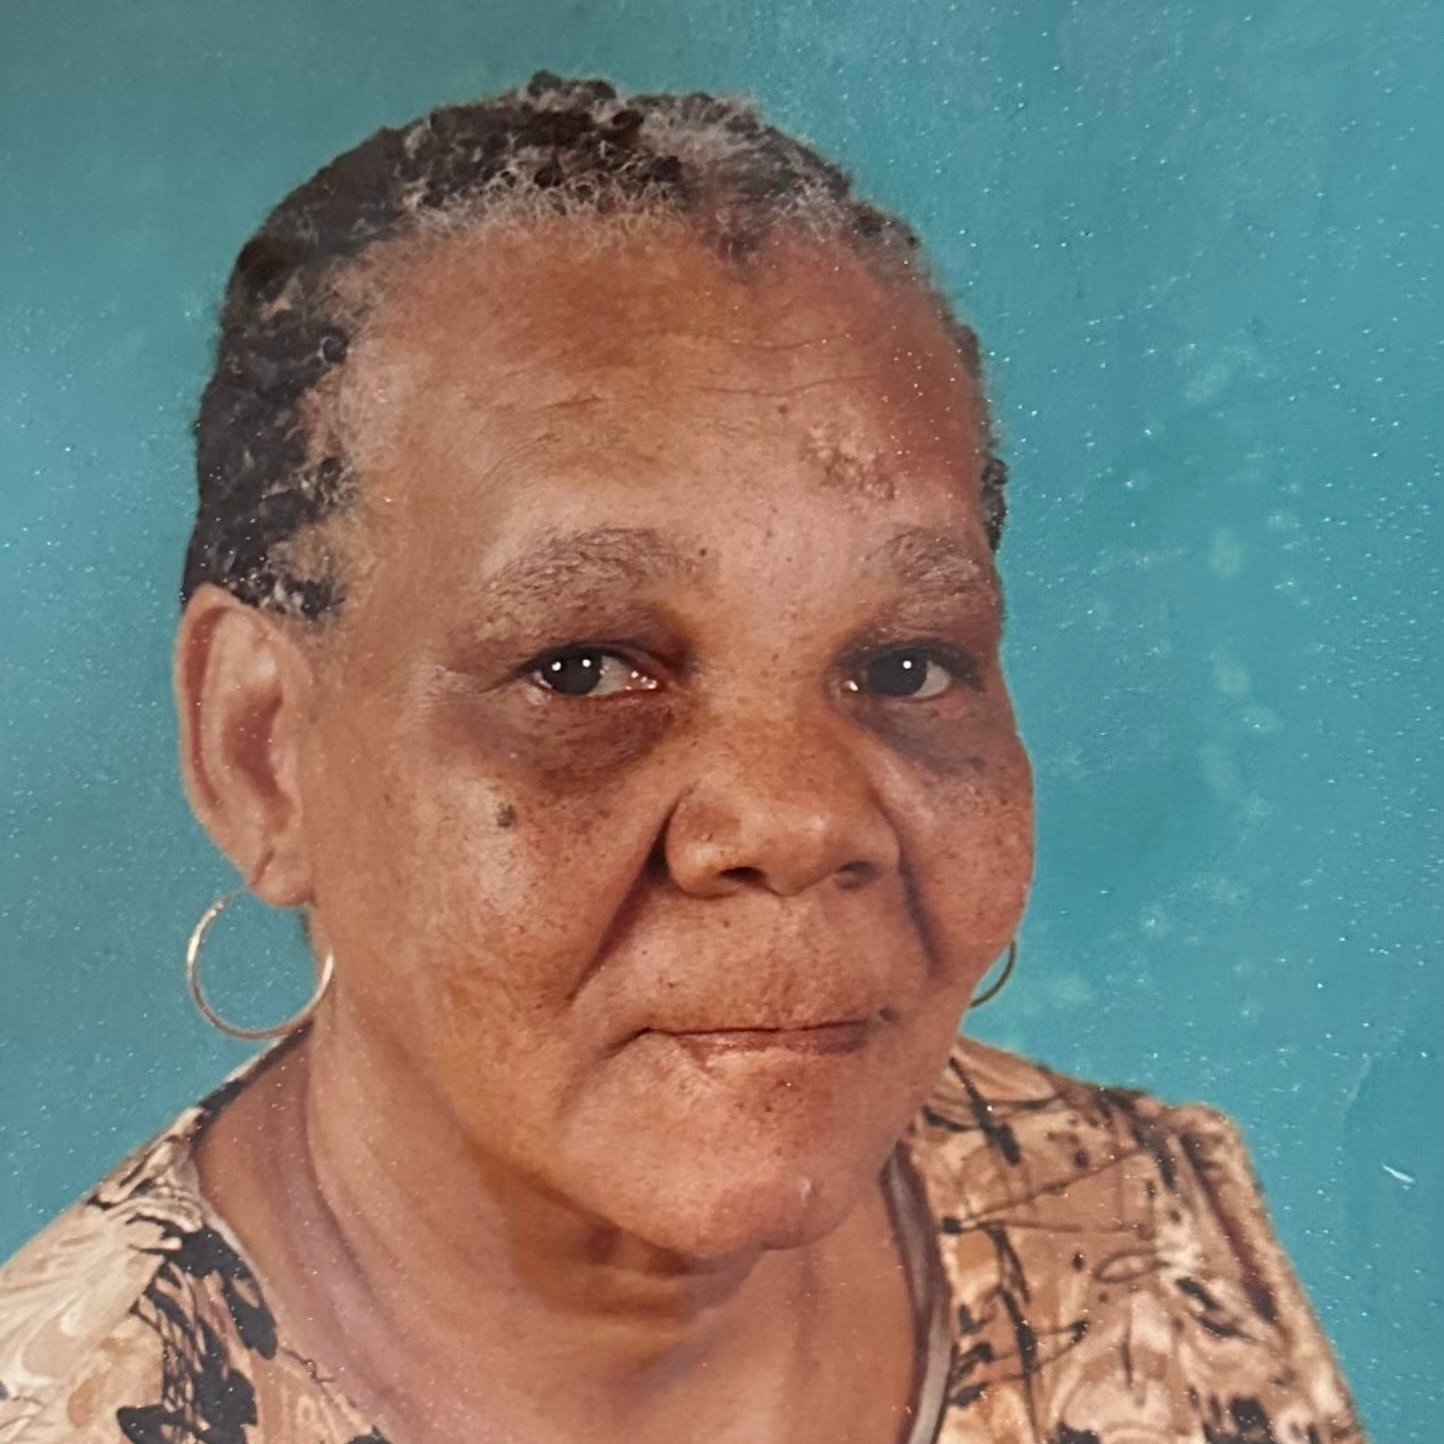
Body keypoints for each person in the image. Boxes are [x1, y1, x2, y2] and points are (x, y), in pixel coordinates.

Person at [0, 74, 1364, 1444]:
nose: (800, 814)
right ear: (263, 753)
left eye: (905, 666)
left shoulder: (1143, 1233)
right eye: (583, 669)